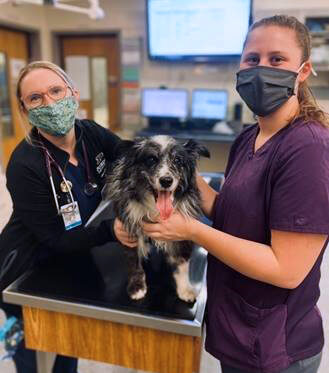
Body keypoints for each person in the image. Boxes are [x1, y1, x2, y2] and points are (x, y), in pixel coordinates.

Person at [142, 15, 329, 373]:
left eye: (277, 60)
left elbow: (286, 270)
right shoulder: (248, 137)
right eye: (252, 59)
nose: (261, 69)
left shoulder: (309, 148)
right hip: (238, 326)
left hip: (277, 345)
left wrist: (193, 230)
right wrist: (182, 171)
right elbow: (227, 211)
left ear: (303, 71)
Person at [0, 61, 136, 373]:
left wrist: (162, 155)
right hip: (29, 269)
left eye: (56, 90)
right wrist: (111, 231)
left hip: (73, 257)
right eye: (35, 98)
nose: (49, 102)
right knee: (36, 357)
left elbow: (128, 156)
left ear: (73, 92)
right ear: (24, 109)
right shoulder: (25, 165)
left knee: (70, 345)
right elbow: (54, 238)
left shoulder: (90, 133)